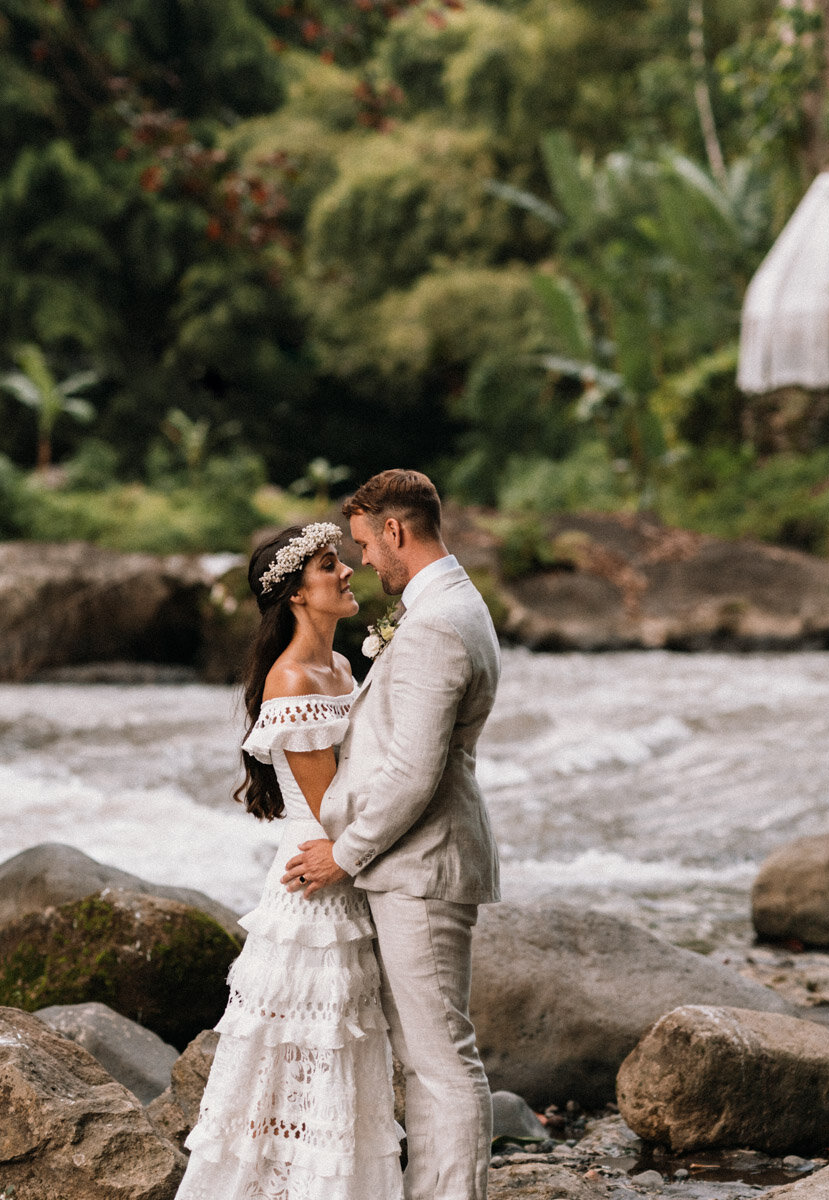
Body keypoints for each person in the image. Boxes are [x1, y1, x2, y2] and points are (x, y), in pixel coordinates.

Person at [282, 469, 503, 1200]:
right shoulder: (446, 604)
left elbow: (413, 770)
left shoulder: (437, 623)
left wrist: (344, 854)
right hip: (416, 862)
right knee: (429, 1054)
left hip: (424, 864)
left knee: (442, 1061)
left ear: (397, 531)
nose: (365, 560)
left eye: (368, 543)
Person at [176, 521, 404, 1200]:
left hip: (345, 879)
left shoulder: (341, 666)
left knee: (339, 1063)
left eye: (340, 560)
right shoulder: (295, 678)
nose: (345, 573)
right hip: (315, 895)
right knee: (297, 1070)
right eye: (329, 566)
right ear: (298, 596)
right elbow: (335, 806)